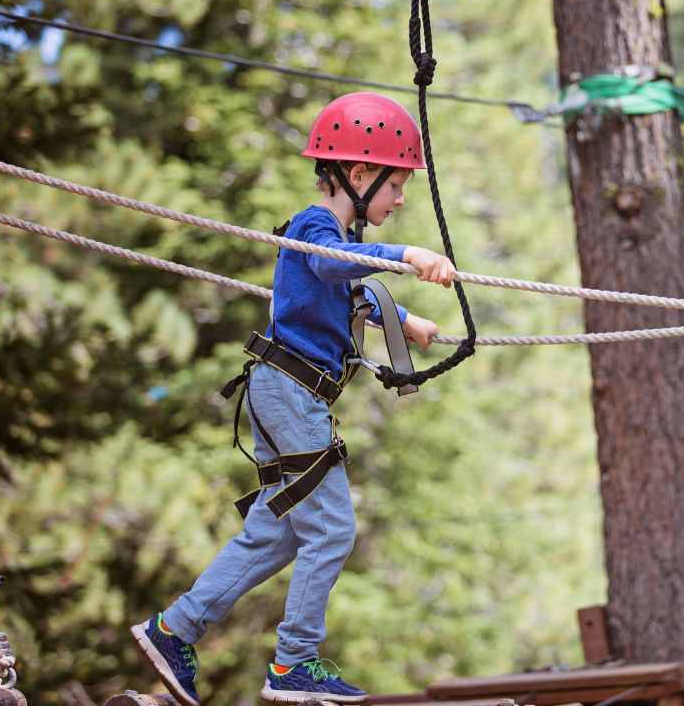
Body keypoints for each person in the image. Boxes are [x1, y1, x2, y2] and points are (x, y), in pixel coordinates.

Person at [129, 92, 455, 706]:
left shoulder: (338, 239)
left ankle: (173, 629)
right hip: (290, 392)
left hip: (287, 393)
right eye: (396, 184)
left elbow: (347, 291)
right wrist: (406, 257)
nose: (401, 199)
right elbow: (337, 269)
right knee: (332, 528)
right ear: (359, 175)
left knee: (276, 534)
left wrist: (406, 321)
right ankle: (293, 664)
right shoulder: (315, 227)